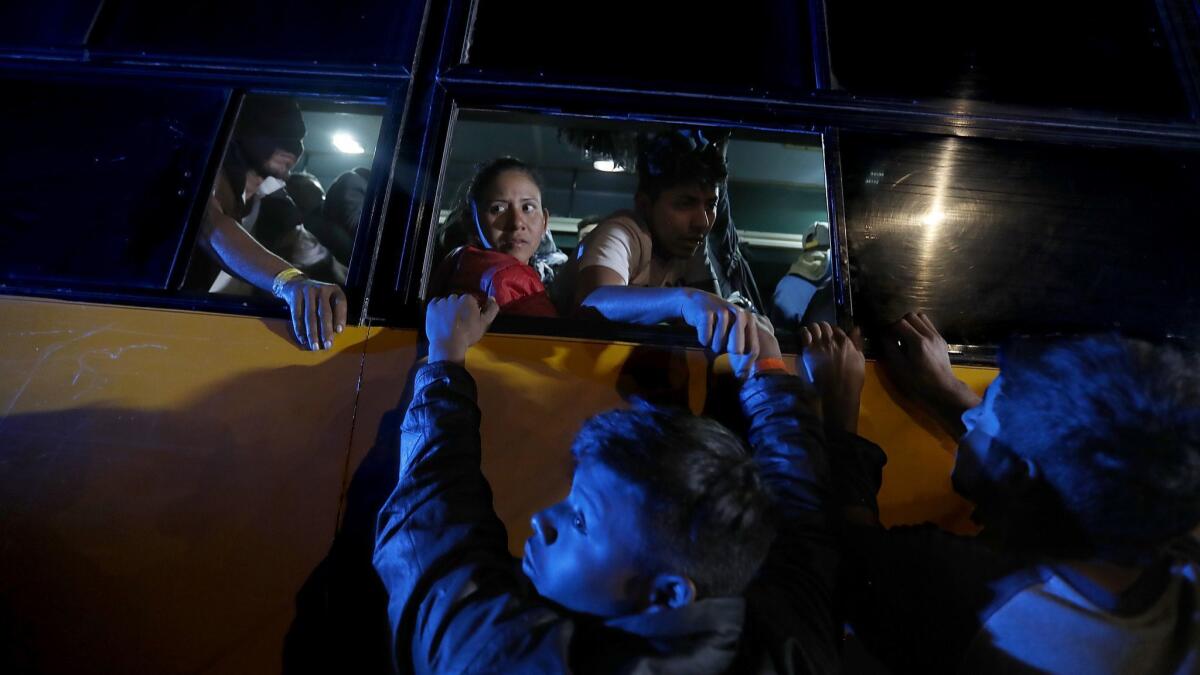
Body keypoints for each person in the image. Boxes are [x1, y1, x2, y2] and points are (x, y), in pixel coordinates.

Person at [373, 294, 843, 673]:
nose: (542, 520)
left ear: (668, 595)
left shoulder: (509, 658)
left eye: (581, 519)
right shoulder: (793, 639)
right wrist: (767, 373)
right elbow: (803, 516)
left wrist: (444, 361)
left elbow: (433, 530)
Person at [821, 312, 1200, 674]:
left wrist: (838, 413)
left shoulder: (963, 592)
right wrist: (948, 393)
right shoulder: (1170, 537)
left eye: (993, 405)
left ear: (1019, 471)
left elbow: (846, 547)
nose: (980, 410)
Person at [572, 130, 759, 349]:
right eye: (685, 203)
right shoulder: (623, 232)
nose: (702, 221)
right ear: (644, 204)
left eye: (711, 205)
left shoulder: (692, 246)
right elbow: (592, 302)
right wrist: (683, 300)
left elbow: (712, 319)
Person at [187, 95, 346, 351]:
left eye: (300, 139)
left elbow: (318, 258)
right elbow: (211, 226)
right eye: (284, 131)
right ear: (247, 129)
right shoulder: (209, 175)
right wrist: (290, 281)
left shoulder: (275, 205)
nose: (296, 148)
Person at [430, 157, 560, 317]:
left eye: (527, 207)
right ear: (472, 220)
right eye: (498, 208)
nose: (517, 222)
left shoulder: (456, 265)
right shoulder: (510, 278)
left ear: (545, 221)